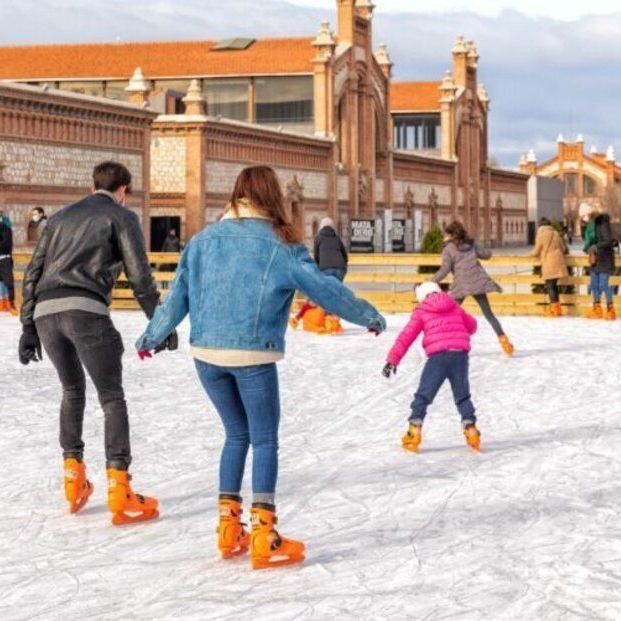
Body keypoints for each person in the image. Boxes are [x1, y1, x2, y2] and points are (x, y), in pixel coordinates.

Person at [136, 165, 386, 569]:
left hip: (207, 357)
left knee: (236, 436)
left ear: (237, 195)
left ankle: (228, 529)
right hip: (253, 357)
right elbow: (325, 289)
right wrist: (368, 315)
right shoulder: (282, 245)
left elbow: (176, 298)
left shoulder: (202, 241)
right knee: (264, 440)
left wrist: (151, 338)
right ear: (273, 197)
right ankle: (264, 534)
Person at [19, 161, 177, 525]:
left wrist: (28, 327)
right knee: (111, 397)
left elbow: (33, 272)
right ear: (123, 189)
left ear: (94, 185)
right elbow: (140, 279)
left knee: (72, 392)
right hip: (86, 310)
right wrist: (161, 323)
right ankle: (120, 489)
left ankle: (74, 481)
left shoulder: (59, 218)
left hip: (46, 313)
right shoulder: (121, 217)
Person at [382, 281, 481, 453]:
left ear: (421, 297)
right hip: (460, 356)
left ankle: (414, 431)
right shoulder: (454, 305)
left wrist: (393, 359)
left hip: (438, 358)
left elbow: (406, 336)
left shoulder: (421, 311)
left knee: (423, 395)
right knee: (462, 396)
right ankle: (471, 430)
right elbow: (472, 326)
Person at [432, 220, 514, 356]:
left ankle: (447, 344)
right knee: (489, 315)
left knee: (449, 315)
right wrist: (477, 244)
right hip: (477, 282)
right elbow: (487, 255)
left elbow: (444, 270)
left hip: (461, 285)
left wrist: (430, 282)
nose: (443, 237)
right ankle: (504, 341)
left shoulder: (448, 249)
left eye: (445, 234)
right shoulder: (471, 244)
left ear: (451, 235)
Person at [531, 218, 568, 317]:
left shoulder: (541, 234)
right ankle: (557, 308)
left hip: (549, 261)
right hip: (558, 261)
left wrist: (531, 254)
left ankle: (554, 309)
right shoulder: (556, 234)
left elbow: (536, 250)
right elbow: (563, 248)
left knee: (550, 286)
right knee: (554, 286)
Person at [586, 213, 617, 320]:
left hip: (605, 259)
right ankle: (597, 309)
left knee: (603, 285)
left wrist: (595, 246)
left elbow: (608, 241)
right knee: (594, 285)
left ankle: (610, 309)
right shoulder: (594, 227)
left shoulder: (604, 225)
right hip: (596, 259)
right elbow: (589, 239)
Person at [0, 210, 17, 315]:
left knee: (8, 282)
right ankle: (2, 304)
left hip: (4, 258)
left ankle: (11, 304)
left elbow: (6, 244)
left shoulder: (5, 228)